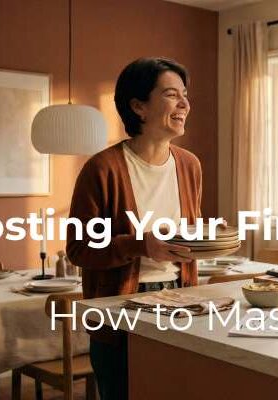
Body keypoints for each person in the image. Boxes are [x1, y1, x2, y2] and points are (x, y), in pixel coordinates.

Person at [66, 57, 202, 400]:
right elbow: (79, 249)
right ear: (138, 106)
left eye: (185, 94)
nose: (185, 103)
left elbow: (193, 233)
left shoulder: (189, 165)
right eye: (172, 95)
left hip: (180, 299)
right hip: (121, 309)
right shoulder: (102, 169)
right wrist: (141, 245)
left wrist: (205, 241)